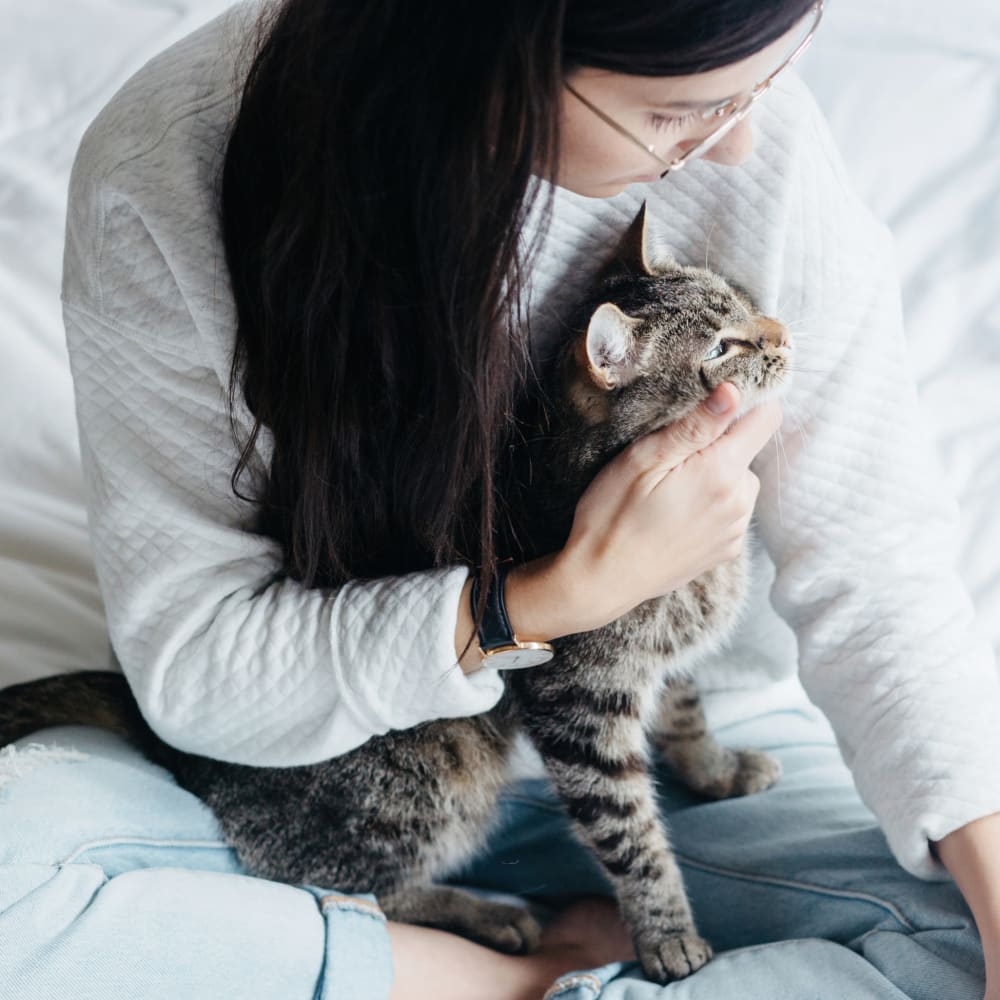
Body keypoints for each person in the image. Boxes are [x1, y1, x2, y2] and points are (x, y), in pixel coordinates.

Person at [2, 0, 999, 997]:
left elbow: (879, 566)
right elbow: (198, 662)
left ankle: (384, 974)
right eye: (676, 112)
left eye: (770, 82)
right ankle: (501, 976)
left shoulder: (756, 136)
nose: (737, 144)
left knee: (958, 931)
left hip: (667, 739)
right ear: (483, 51)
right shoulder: (170, 166)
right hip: (336, 754)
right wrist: (544, 599)